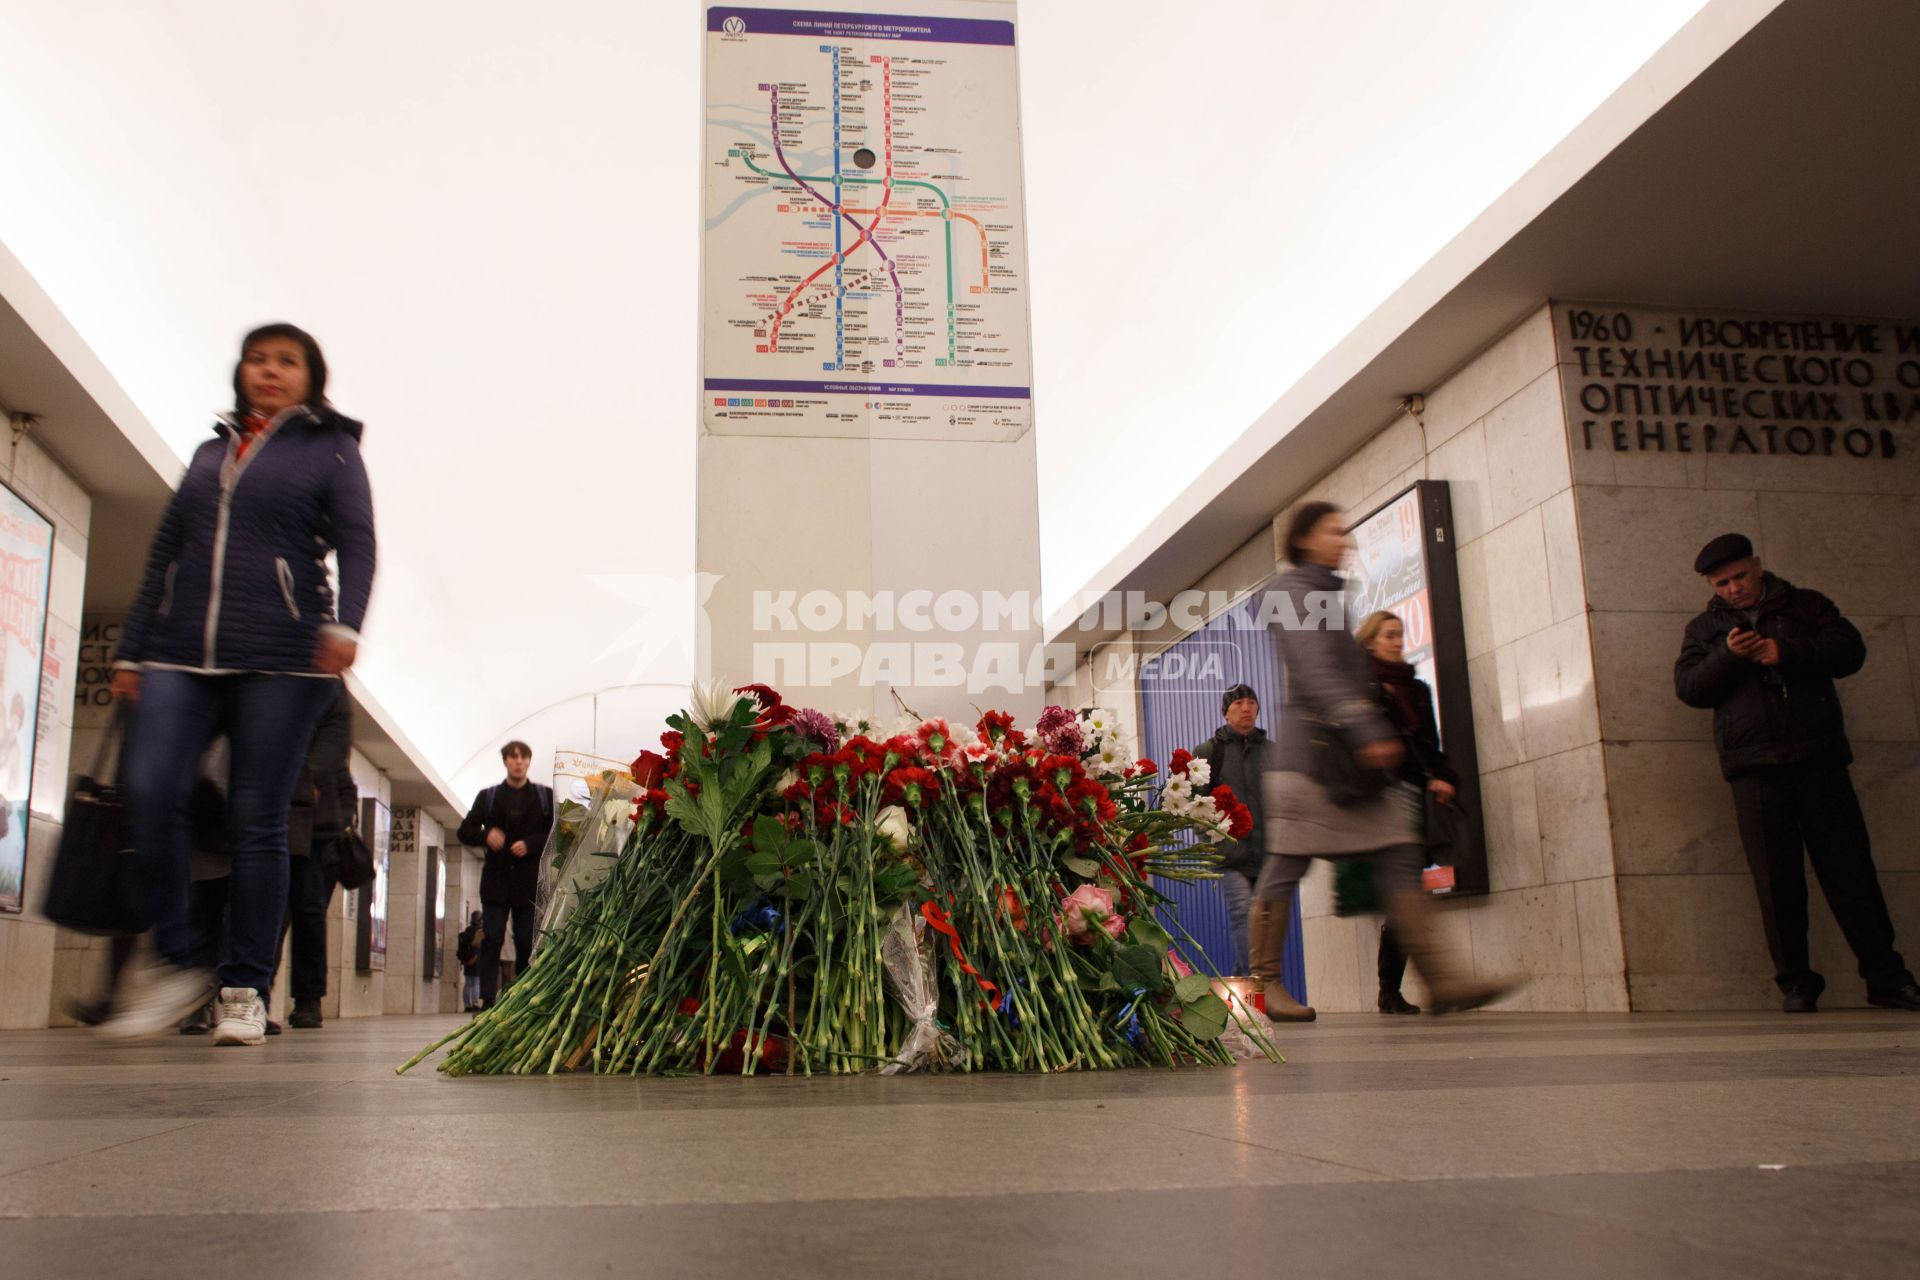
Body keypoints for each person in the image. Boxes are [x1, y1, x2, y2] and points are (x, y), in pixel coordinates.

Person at [101, 323, 376, 1046]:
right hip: (180, 652)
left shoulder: (332, 450)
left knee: (258, 822)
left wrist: (345, 624)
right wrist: (132, 652)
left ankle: (246, 988)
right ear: (241, 371)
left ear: (311, 378)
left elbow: (358, 539)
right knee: (151, 791)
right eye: (258, 359)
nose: (269, 370)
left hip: (282, 656)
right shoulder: (209, 452)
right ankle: (178, 961)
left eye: (287, 361)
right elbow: (167, 548)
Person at [1247, 501, 1515, 1023]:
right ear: (1303, 539)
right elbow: (1316, 671)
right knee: (1287, 865)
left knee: (1398, 847)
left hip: (1335, 764)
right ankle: (1265, 984)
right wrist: (1367, 728)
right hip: (1310, 764)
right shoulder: (1290, 592)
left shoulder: (1323, 592)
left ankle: (1443, 980)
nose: (1344, 539)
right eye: (1333, 531)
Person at [1674, 533, 1920, 1013]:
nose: (1733, 589)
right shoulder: (1704, 628)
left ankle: (1887, 978)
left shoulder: (1806, 604)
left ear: (1758, 566)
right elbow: (1689, 687)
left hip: (1818, 760)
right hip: (1754, 769)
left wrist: (1782, 652)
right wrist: (1729, 655)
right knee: (1776, 882)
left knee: (1852, 874)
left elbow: (1849, 650)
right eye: (1722, 583)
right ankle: (1797, 984)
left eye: (1740, 576)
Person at [1356, 609, 1461, 1015]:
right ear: (1370, 641)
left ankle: (1394, 989)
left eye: (1400, 634)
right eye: (1389, 635)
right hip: (1381, 802)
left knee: (1406, 894)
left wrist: (1444, 776)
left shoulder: (1416, 689)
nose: (1397, 641)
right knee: (1405, 894)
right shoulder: (1362, 689)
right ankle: (1418, 984)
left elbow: (1430, 744)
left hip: (1417, 800)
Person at [277, 682, 354, 1029]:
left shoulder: (330, 746)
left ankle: (308, 1000)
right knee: (274, 917)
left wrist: (341, 823)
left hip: (319, 837)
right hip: (280, 830)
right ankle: (256, 992)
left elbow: (347, 791)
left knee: (309, 917)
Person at [458, 742, 554, 1009]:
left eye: (523, 758)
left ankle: (522, 996)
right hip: (496, 881)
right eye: (513, 758)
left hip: (527, 881)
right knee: (492, 939)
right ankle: (488, 998)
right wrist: (486, 835)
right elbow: (464, 831)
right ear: (505, 762)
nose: (518, 762)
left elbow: (556, 831)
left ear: (529, 762)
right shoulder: (488, 797)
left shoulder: (543, 796)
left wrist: (531, 843)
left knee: (526, 941)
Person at [1193, 683, 1267, 975]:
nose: (1245, 708)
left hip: (1267, 854)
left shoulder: (1270, 752)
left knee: (1265, 920)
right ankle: (1257, 984)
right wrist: (1216, 845)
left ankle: (1242, 981)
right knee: (1243, 913)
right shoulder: (1210, 752)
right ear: (1226, 713)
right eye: (1237, 704)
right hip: (1231, 855)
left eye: (1251, 702)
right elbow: (1192, 806)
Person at [457, 910, 484, 1011]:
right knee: (476, 982)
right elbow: (479, 947)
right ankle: (475, 1003)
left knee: (468, 983)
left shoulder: (466, 931)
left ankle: (467, 1005)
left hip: (467, 961)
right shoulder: (479, 931)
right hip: (476, 960)